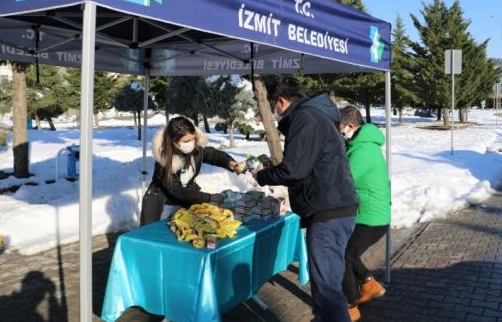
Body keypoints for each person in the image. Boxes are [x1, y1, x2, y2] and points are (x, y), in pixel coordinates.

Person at [251, 77, 358, 322]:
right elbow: (304, 165)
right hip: (332, 208)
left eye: (273, 107)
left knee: (328, 290)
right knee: (327, 284)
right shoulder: (315, 115)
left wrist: (262, 175)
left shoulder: (306, 117)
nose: (274, 113)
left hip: (329, 210)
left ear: (281, 101)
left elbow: (293, 169)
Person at [140, 116, 244, 226]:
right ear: (174, 142)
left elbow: (213, 155)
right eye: (187, 141)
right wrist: (209, 198)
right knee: (159, 233)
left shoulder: (195, 148)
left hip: (187, 197)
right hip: (163, 201)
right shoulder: (163, 163)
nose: (192, 143)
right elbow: (177, 191)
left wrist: (230, 163)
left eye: (193, 139)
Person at [338, 106, 390, 321]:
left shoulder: (363, 150)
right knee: (347, 253)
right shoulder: (359, 144)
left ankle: (350, 306)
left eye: (339, 128)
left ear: (351, 126)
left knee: (344, 256)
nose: (338, 132)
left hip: (372, 217)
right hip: (368, 214)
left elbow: (343, 179)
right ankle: (370, 284)